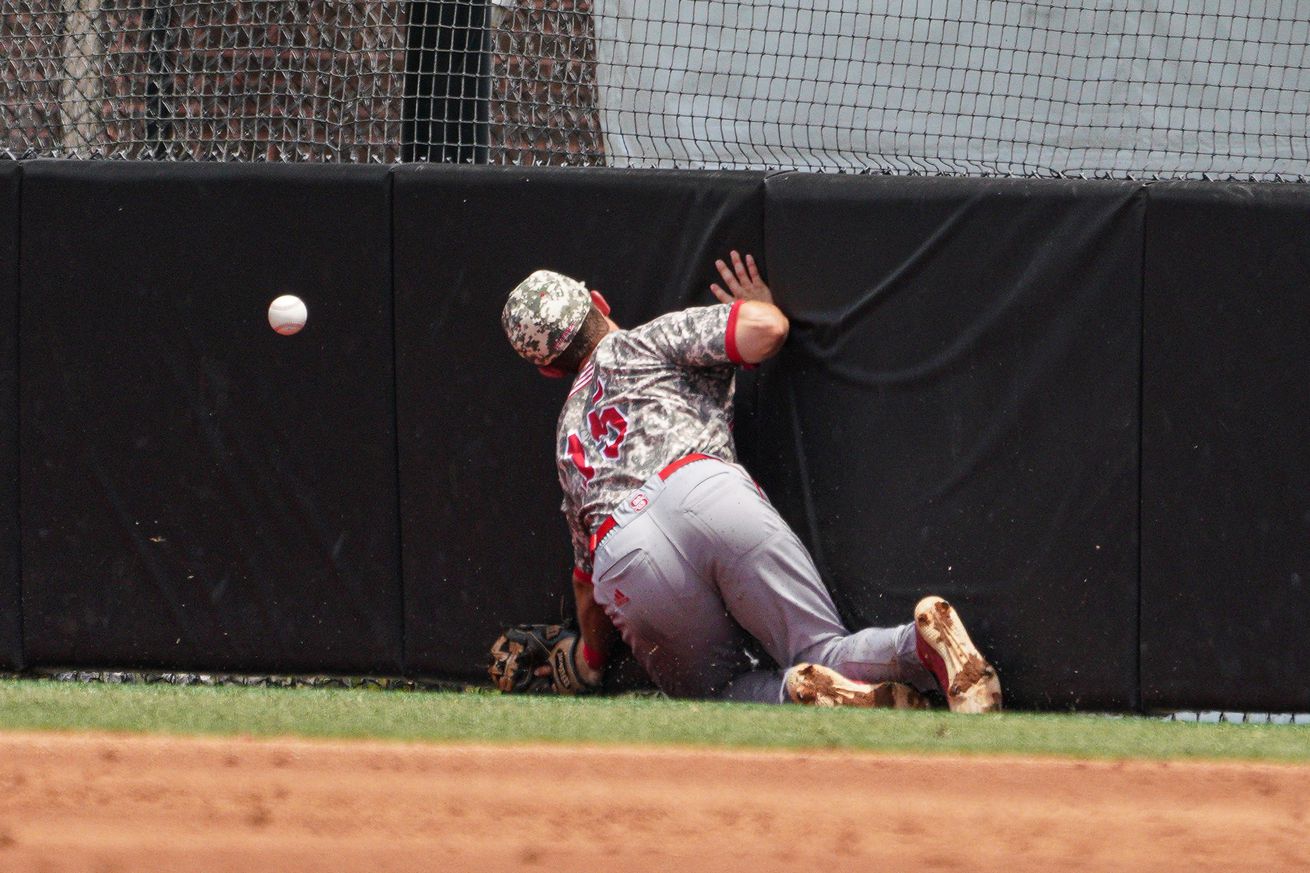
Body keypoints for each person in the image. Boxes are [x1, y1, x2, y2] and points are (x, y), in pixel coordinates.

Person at [500, 252, 1002, 712]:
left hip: (625, 549)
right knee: (819, 647)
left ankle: (803, 692)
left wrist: (589, 660)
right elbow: (764, 331)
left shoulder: (568, 432)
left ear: (547, 370)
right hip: (704, 491)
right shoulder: (645, 340)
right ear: (598, 302)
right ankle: (919, 643)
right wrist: (762, 307)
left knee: (715, 695)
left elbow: (585, 581)